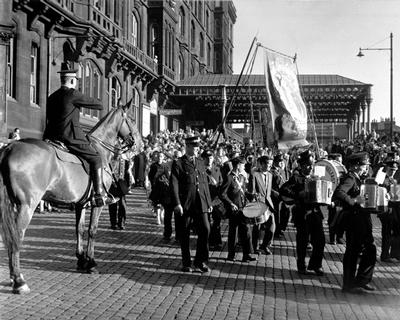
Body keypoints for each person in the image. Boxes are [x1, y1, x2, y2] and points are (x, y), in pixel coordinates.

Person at [43, 62, 113, 207]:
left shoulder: (52, 96)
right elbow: (100, 105)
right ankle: (99, 195)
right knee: (96, 158)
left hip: (51, 136)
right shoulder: (73, 94)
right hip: (70, 137)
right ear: (73, 81)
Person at [333, 152, 376, 294]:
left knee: (369, 249)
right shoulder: (350, 178)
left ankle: (362, 280)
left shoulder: (357, 178)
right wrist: (353, 201)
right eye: (365, 165)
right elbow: (339, 193)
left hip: (362, 219)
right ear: (356, 166)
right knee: (353, 252)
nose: (366, 168)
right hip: (354, 220)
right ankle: (349, 285)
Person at [170, 135, 213, 273]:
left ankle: (201, 261)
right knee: (184, 233)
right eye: (194, 147)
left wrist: (208, 201)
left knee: (206, 230)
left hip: (201, 203)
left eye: (197, 147)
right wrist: (177, 203)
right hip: (186, 203)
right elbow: (174, 184)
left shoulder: (200, 161)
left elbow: (204, 183)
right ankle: (186, 262)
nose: (196, 149)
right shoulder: (179, 163)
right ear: (187, 147)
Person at [280, 150, 325, 276]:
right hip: (303, 214)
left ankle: (316, 265)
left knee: (320, 241)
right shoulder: (296, 178)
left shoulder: (316, 177)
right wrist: (298, 194)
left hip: (316, 213)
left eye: (312, 165)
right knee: (303, 242)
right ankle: (301, 266)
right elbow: (283, 190)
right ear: (302, 165)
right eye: (308, 165)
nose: (310, 167)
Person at [220, 155, 256, 262]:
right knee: (233, 232)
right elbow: (222, 194)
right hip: (234, 209)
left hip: (243, 207)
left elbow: (243, 192)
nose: (244, 167)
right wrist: (230, 203)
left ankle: (247, 254)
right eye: (243, 165)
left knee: (246, 230)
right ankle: (231, 254)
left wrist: (251, 195)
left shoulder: (242, 177)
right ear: (238, 165)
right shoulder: (229, 177)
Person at [248, 155, 276, 255]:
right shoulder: (255, 175)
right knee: (257, 227)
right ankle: (255, 247)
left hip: (268, 203)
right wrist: (254, 196)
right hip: (259, 203)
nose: (270, 166)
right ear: (262, 164)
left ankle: (265, 245)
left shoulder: (270, 175)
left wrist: (275, 193)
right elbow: (251, 190)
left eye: (271, 164)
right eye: (268, 164)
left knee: (272, 226)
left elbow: (267, 190)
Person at [148, 150, 177, 242]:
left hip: (177, 194)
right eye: (175, 157)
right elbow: (153, 177)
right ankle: (167, 234)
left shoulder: (177, 166)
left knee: (177, 217)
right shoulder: (163, 166)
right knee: (167, 216)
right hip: (166, 193)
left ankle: (178, 235)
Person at [378, 155, 400, 262]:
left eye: (395, 170)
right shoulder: (381, 178)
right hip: (385, 209)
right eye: (391, 170)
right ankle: (385, 255)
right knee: (386, 233)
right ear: (386, 168)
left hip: (396, 209)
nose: (393, 172)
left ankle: (395, 254)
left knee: (397, 232)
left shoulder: (396, 178)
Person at [109, 151, 128, 230]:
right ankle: (113, 223)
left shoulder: (124, 162)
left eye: (119, 152)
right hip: (112, 186)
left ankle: (122, 223)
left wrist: (128, 186)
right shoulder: (109, 161)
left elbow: (127, 174)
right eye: (116, 151)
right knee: (112, 206)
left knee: (122, 205)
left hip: (121, 186)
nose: (118, 153)